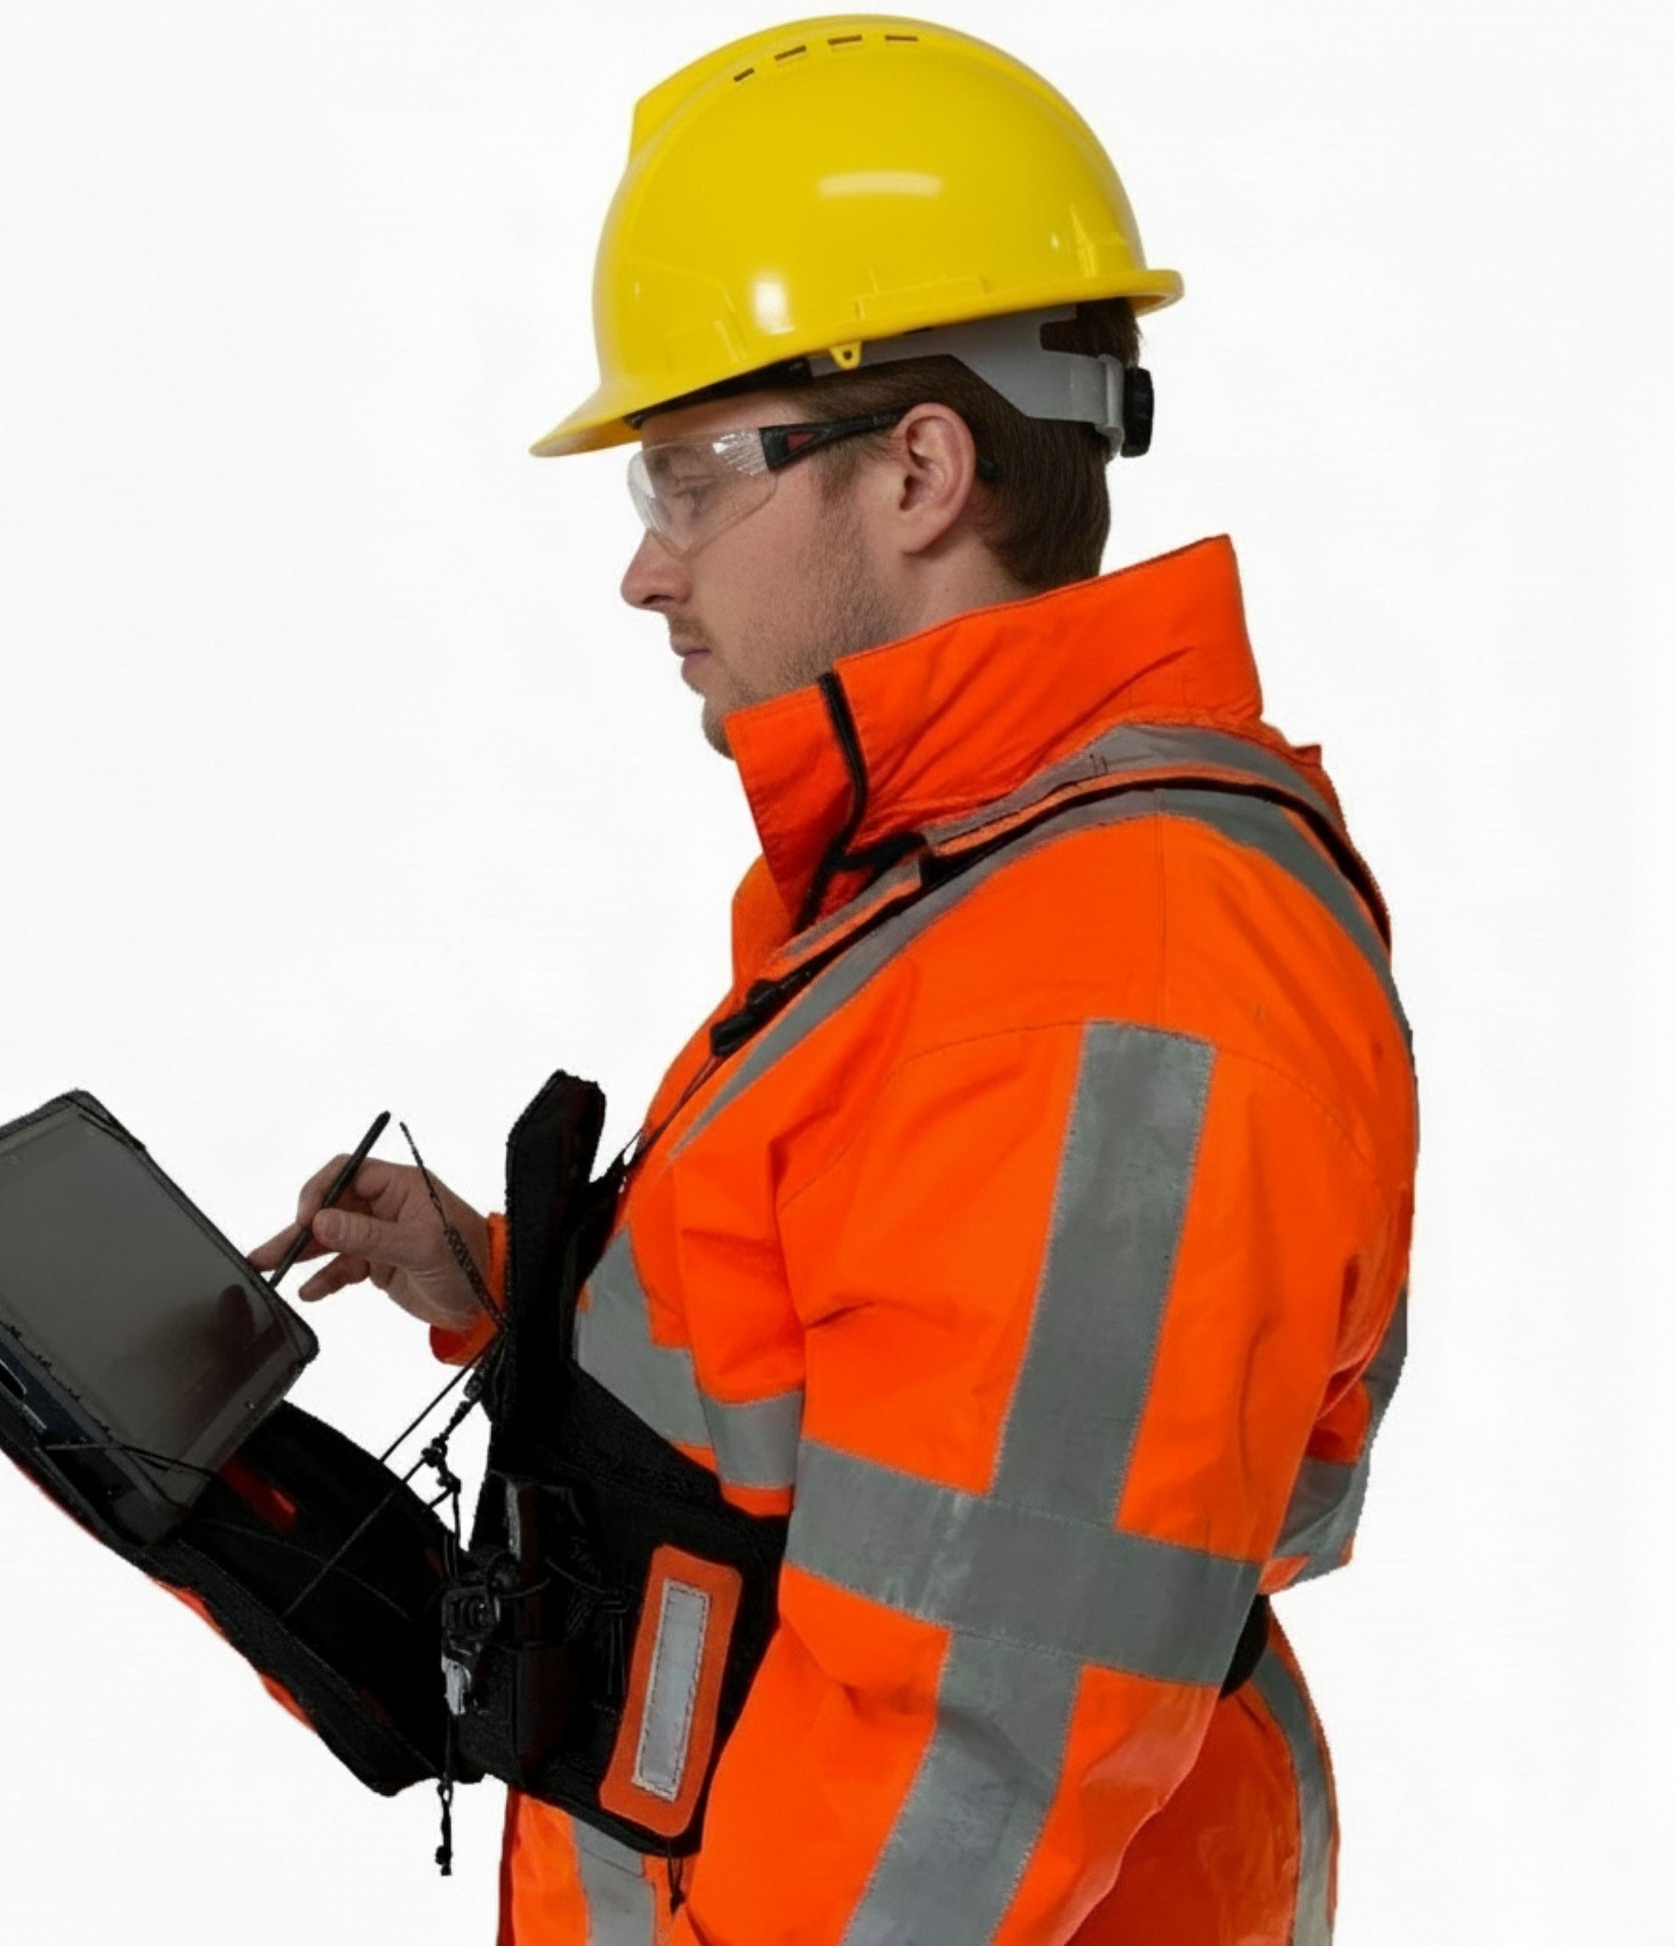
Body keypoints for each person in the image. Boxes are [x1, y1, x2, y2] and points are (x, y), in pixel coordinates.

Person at [248, 17, 1416, 1944]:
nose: (646, 567)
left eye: (691, 474)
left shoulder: (1098, 975)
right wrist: (504, 1298)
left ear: (919, 470)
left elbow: (958, 1760)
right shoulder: (970, 885)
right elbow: (881, 1402)